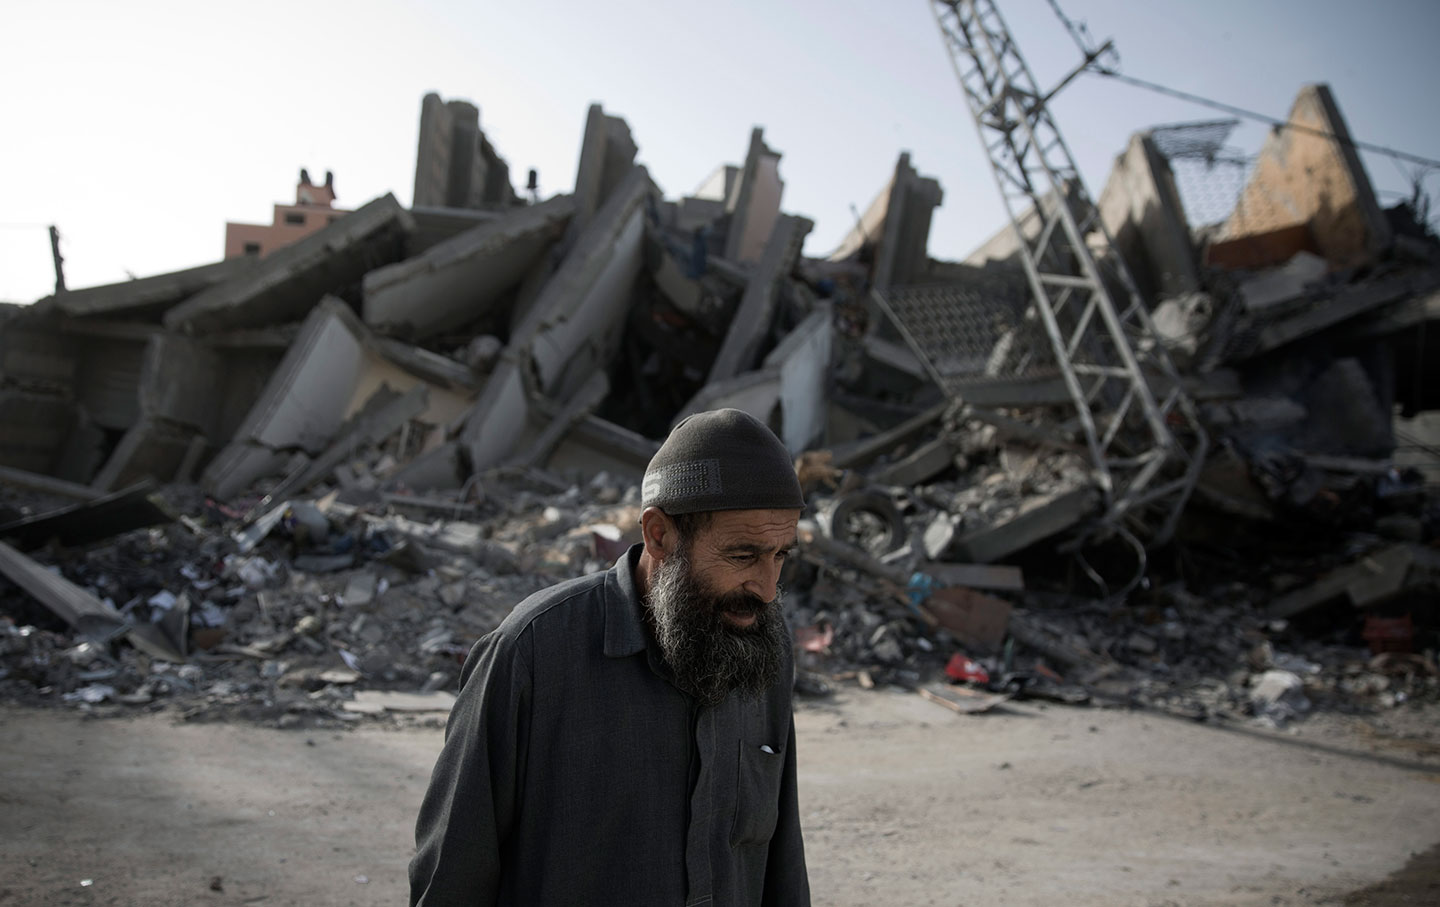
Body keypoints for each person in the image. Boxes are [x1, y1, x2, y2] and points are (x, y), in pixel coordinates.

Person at [410, 408, 811, 906]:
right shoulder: (533, 653)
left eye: (781, 556)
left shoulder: (759, 646)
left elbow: (780, 865)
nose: (768, 589)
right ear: (659, 534)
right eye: (743, 555)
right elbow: (452, 876)